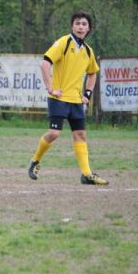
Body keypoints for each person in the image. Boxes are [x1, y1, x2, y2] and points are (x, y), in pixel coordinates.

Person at [27, 12, 109, 185]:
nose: (80, 27)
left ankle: (86, 174)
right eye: (77, 23)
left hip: (76, 100)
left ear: (89, 29)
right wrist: (50, 88)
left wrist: (87, 94)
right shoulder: (64, 42)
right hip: (59, 98)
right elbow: (45, 63)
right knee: (54, 134)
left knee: (80, 135)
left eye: (84, 24)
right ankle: (35, 161)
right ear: (72, 26)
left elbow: (93, 73)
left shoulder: (88, 50)